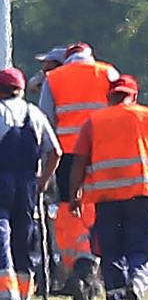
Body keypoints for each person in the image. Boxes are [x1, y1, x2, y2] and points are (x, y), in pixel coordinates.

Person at [69, 74, 148, 300]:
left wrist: (74, 194)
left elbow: (79, 161)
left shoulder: (93, 122)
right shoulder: (147, 116)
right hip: (141, 196)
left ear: (109, 96)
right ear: (134, 95)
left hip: (105, 198)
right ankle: (137, 285)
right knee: (141, 250)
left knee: (111, 253)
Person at [0, 67, 60, 300]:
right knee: (24, 241)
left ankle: (5, 298)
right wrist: (42, 181)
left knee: (1, 235)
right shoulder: (34, 113)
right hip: (27, 185)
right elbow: (55, 151)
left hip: (2, 182)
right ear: (21, 89)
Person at [36, 42, 117, 203]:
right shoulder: (108, 72)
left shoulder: (54, 78)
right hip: (103, 149)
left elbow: (45, 118)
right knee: (104, 200)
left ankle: (72, 227)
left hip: (68, 151)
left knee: (69, 199)